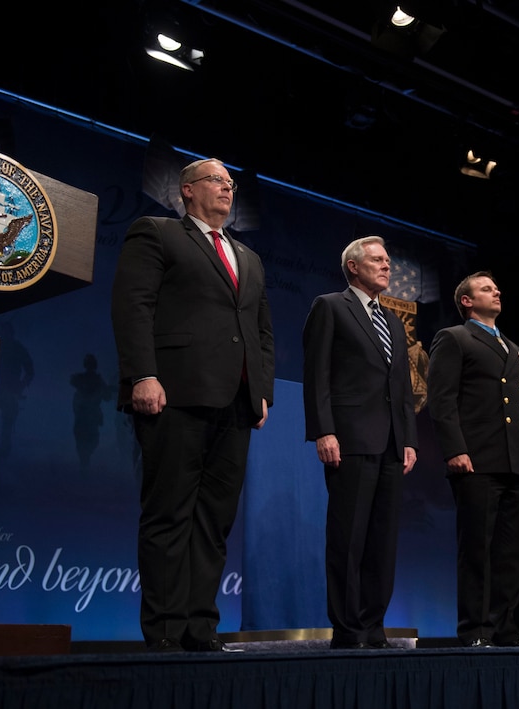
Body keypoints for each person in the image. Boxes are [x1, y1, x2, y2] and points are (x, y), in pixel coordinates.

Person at [111, 157, 275, 653]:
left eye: (231, 183)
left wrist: (261, 388)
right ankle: (162, 630)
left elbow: (261, 330)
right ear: (187, 190)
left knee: (215, 521)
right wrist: (144, 373)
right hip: (175, 394)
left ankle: (199, 627)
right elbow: (132, 304)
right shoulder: (157, 233)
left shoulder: (249, 257)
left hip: (237, 404)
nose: (227, 188)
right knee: (169, 514)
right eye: (216, 181)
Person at [302, 235, 418, 649]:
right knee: (348, 537)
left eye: (389, 260)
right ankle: (348, 628)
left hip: (390, 444)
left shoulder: (392, 322)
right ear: (353, 266)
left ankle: (373, 625)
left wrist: (408, 439)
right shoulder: (331, 306)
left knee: (382, 541)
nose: (387, 266)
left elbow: (401, 387)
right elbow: (317, 374)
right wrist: (323, 429)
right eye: (378, 260)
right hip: (349, 438)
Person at [426, 272, 519, 648]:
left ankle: (504, 627)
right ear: (467, 302)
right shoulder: (454, 338)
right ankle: (476, 629)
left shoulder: (513, 347)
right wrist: (455, 449)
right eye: (487, 288)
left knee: (510, 551)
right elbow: (442, 400)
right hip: (477, 459)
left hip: (514, 461)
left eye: (496, 287)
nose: (497, 291)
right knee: (477, 548)